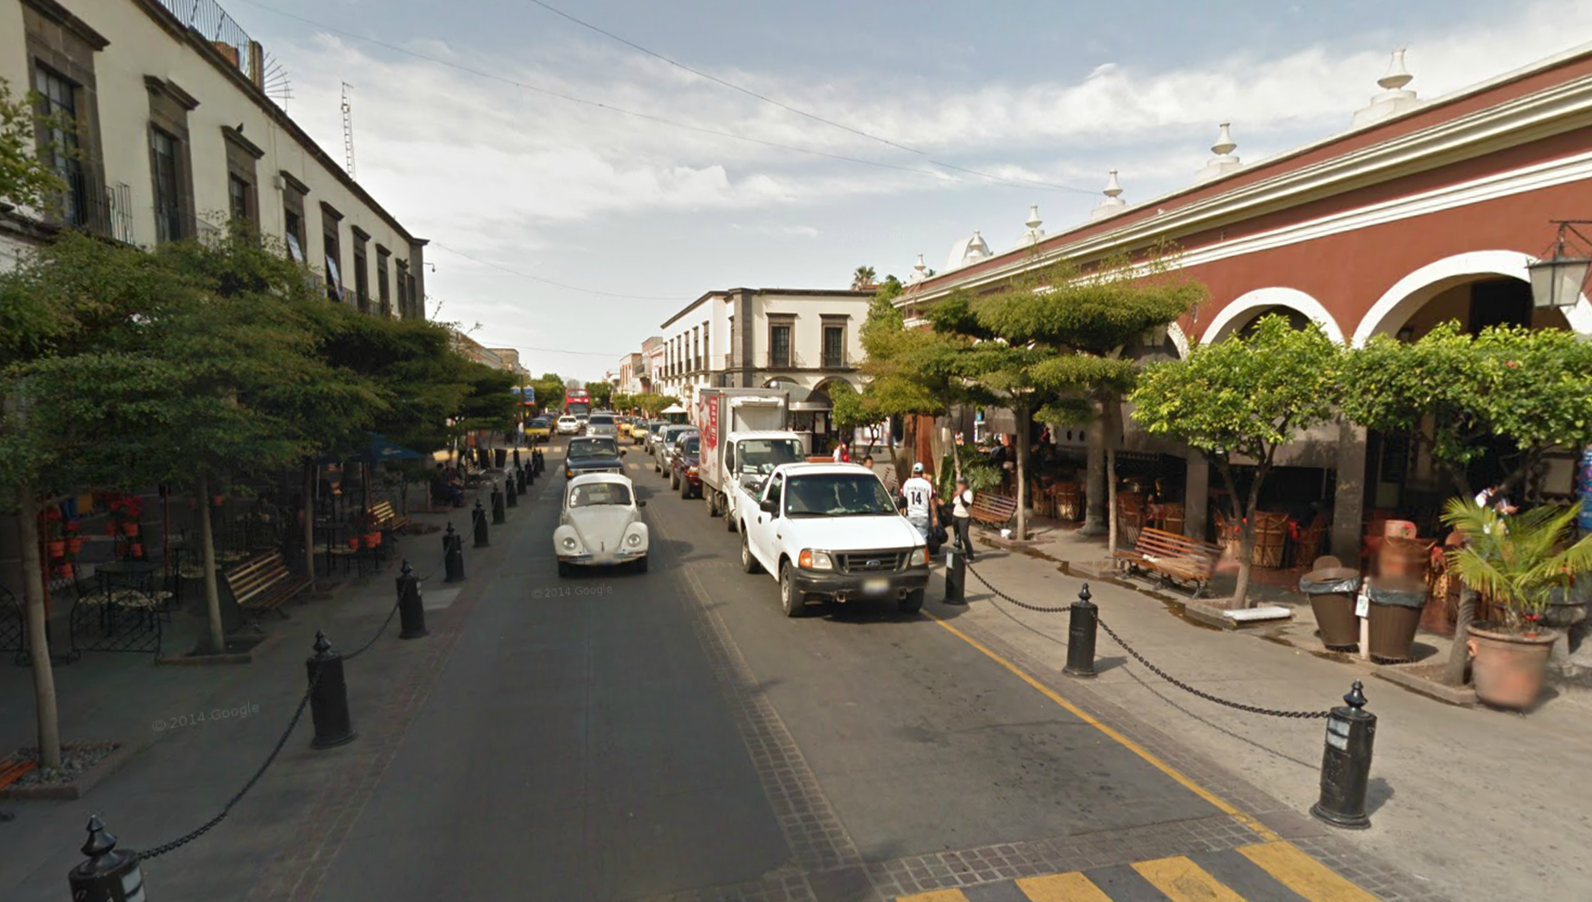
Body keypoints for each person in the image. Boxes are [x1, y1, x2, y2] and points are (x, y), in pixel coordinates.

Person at [901, 462, 937, 542]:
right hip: (923, 516)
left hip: (911, 515)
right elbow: (932, 501)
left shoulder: (907, 483)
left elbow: (902, 497)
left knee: (911, 539)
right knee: (922, 540)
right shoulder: (927, 484)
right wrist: (935, 517)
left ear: (913, 472)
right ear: (922, 472)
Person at [950, 476, 975, 562]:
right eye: (959, 484)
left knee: (964, 536)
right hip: (956, 515)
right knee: (957, 536)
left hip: (964, 517)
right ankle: (959, 554)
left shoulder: (969, 493)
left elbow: (965, 504)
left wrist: (960, 494)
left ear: (966, 485)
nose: (960, 486)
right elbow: (953, 504)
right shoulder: (957, 493)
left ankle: (970, 555)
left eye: (962, 484)